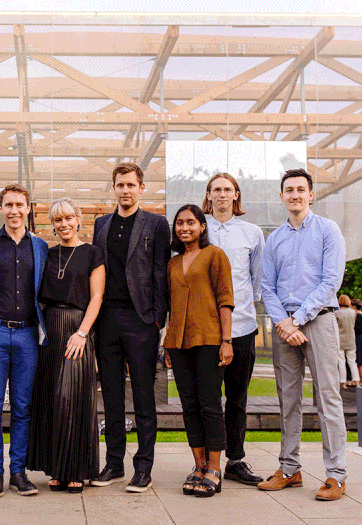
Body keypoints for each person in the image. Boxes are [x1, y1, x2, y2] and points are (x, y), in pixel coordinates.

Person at [258, 168, 348, 501]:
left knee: (328, 399)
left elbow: (330, 282)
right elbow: (267, 286)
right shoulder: (275, 239)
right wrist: (285, 322)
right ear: (281, 196)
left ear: (311, 194)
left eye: (301, 189)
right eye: (289, 190)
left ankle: (336, 476)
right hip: (285, 328)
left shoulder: (328, 230)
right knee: (288, 401)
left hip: (319, 320)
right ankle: (290, 469)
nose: (295, 194)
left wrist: (297, 319)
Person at [91, 162, 171, 493]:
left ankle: (144, 466)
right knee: (110, 396)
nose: (126, 190)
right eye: (120, 185)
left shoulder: (156, 223)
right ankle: (114, 463)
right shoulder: (101, 223)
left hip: (141, 321)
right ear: (113, 188)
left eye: (131, 185)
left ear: (141, 188)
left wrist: (156, 319)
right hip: (107, 320)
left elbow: (161, 273)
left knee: (142, 396)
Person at [27, 198, 105, 494]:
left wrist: (83, 333)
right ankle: (57, 470)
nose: (64, 224)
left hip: (77, 329)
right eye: (58, 220)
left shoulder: (93, 253)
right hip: (51, 331)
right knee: (51, 398)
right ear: (52, 224)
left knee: (73, 398)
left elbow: (96, 297)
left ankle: (77, 470)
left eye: (68, 218)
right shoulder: (48, 254)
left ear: (79, 218)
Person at [0, 183, 48, 498]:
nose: (14, 210)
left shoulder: (42, 247)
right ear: (1, 208)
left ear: (28, 208)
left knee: (22, 406)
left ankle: (18, 472)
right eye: (9, 205)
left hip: (28, 334)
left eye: (20, 204)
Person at [164, 204, 233, 498]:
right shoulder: (171, 264)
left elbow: (225, 299)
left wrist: (227, 340)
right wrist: (167, 343)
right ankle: (198, 466)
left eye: (191, 222)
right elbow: (171, 307)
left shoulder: (215, 255)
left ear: (202, 226)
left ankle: (215, 468)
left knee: (210, 404)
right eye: (179, 223)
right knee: (189, 405)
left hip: (208, 340)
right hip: (178, 344)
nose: (184, 228)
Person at [202, 172, 265, 486]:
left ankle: (235, 461)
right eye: (217, 189)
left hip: (242, 328)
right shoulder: (199, 229)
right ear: (209, 195)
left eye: (228, 189)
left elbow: (257, 282)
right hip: (206, 330)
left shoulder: (252, 232)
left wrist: (241, 306)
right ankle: (207, 463)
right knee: (209, 399)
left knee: (237, 398)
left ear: (236, 195)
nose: (222, 194)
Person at [334, 295, 358, 389]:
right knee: (352, 361)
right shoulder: (353, 312)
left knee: (341, 361)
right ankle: (356, 379)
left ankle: (343, 381)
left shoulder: (337, 312)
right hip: (351, 338)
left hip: (340, 339)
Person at [351, 299, 362, 387]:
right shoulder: (358, 314)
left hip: (358, 339)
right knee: (359, 360)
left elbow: (358, 329)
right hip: (358, 338)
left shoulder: (359, 315)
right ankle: (360, 379)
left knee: (360, 360)